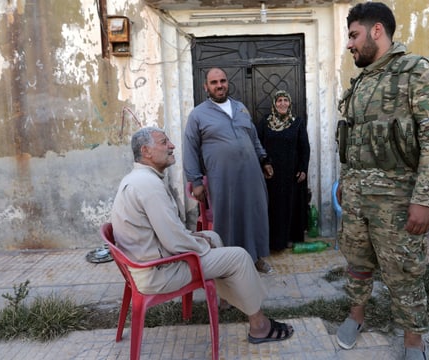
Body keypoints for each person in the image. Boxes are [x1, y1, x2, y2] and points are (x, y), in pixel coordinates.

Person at [335, 3, 429, 360]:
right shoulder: (362, 81)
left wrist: (424, 199)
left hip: (398, 200)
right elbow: (353, 140)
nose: (349, 44)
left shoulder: (417, 72)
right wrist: (346, 180)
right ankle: (356, 317)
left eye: (354, 35)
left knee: (404, 272)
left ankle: (413, 341)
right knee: (357, 263)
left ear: (376, 32)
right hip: (357, 197)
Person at [110, 126, 294, 344]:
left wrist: (200, 240)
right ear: (146, 151)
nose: (172, 146)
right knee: (239, 257)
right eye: (164, 142)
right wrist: (201, 246)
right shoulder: (148, 186)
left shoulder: (138, 179)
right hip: (158, 273)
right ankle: (259, 325)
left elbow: (168, 233)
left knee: (213, 237)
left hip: (148, 263)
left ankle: (229, 299)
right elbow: (174, 240)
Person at [183, 67, 275, 273]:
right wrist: (196, 181)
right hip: (222, 179)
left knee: (255, 213)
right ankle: (229, 265)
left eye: (223, 81)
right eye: (214, 83)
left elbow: (253, 138)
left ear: (227, 82)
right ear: (206, 87)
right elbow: (189, 148)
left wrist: (264, 160)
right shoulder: (198, 114)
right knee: (227, 219)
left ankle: (256, 257)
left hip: (252, 174)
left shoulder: (240, 107)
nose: (219, 86)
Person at [256, 90, 310, 251]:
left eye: (285, 100)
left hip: (291, 174)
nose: (282, 104)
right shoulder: (265, 122)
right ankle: (273, 242)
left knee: (290, 206)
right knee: (272, 208)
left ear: (290, 103)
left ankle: (289, 239)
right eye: (279, 100)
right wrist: (264, 162)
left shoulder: (297, 122)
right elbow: (257, 144)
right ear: (274, 103)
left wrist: (303, 168)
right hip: (270, 174)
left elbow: (304, 148)